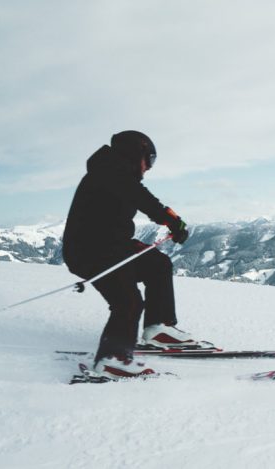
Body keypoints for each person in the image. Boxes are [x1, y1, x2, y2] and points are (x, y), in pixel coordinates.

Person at [62, 130, 199, 379]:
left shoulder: (114, 173)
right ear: (137, 155)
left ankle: (159, 328)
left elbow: (130, 197)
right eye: (150, 160)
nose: (149, 168)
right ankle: (113, 360)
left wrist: (165, 222)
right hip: (90, 251)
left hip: (110, 245)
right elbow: (140, 197)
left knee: (157, 264)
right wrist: (170, 219)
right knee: (127, 301)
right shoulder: (109, 172)